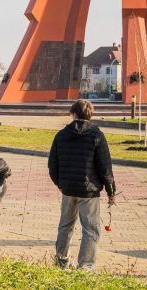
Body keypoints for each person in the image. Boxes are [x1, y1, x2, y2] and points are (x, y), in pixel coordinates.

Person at [48, 99, 116, 271]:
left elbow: (52, 165)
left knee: (65, 226)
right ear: (89, 114)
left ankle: (61, 261)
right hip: (89, 191)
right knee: (91, 230)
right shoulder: (96, 135)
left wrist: (60, 184)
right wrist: (111, 191)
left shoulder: (61, 135)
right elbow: (105, 166)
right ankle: (85, 266)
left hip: (68, 189)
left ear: (74, 114)